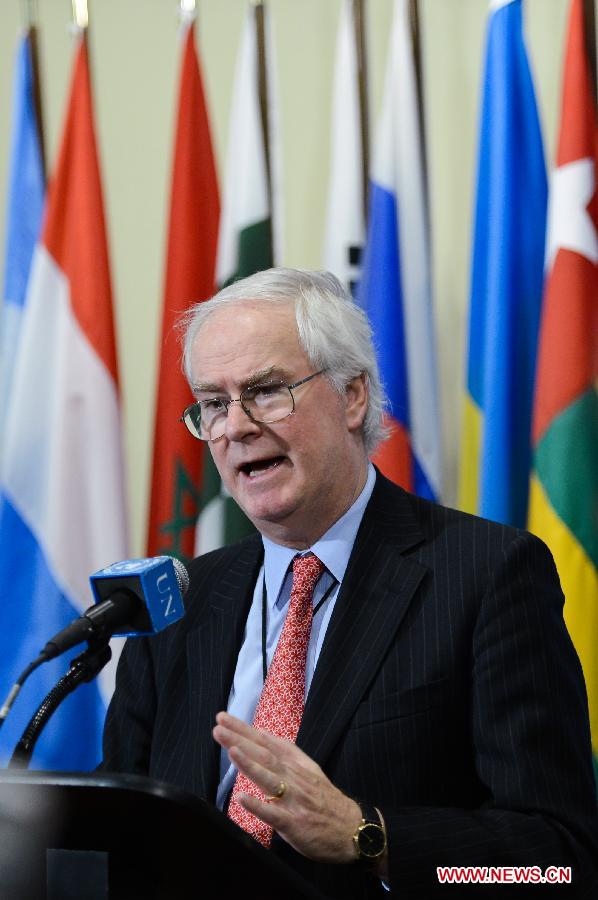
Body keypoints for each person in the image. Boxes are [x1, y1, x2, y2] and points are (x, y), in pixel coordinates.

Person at [101, 268, 598, 898]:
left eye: (266, 390)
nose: (235, 427)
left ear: (353, 395)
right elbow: (118, 829)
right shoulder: (183, 599)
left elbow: (558, 862)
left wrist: (372, 837)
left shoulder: (487, 574)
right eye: (214, 403)